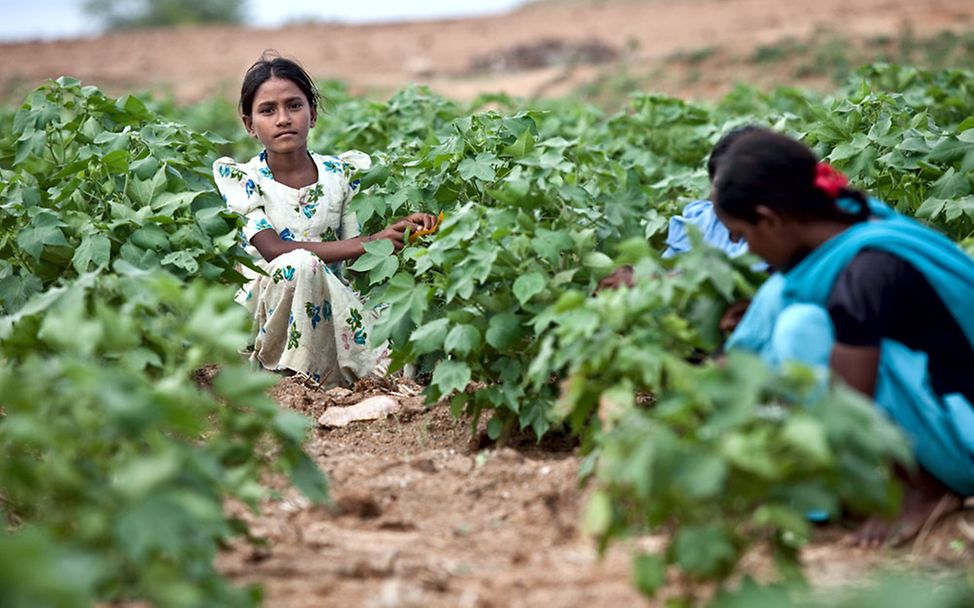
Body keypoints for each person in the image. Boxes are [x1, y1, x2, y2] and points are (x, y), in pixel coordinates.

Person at [714, 128, 974, 547]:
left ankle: (923, 490)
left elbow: (848, 409)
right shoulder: (860, 222)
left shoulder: (864, 272)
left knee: (801, 330)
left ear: (770, 219)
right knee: (789, 310)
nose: (747, 249)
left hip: (964, 437)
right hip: (948, 414)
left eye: (744, 235)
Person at [213, 53, 436, 386]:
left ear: (312, 114)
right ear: (249, 125)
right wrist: (372, 243)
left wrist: (403, 232)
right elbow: (274, 250)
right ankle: (287, 377)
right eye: (267, 110)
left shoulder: (340, 173)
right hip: (268, 305)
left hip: (331, 299)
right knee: (300, 265)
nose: (283, 119)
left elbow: (358, 259)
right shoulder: (243, 179)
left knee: (402, 340)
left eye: (294, 106)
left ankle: (329, 377)